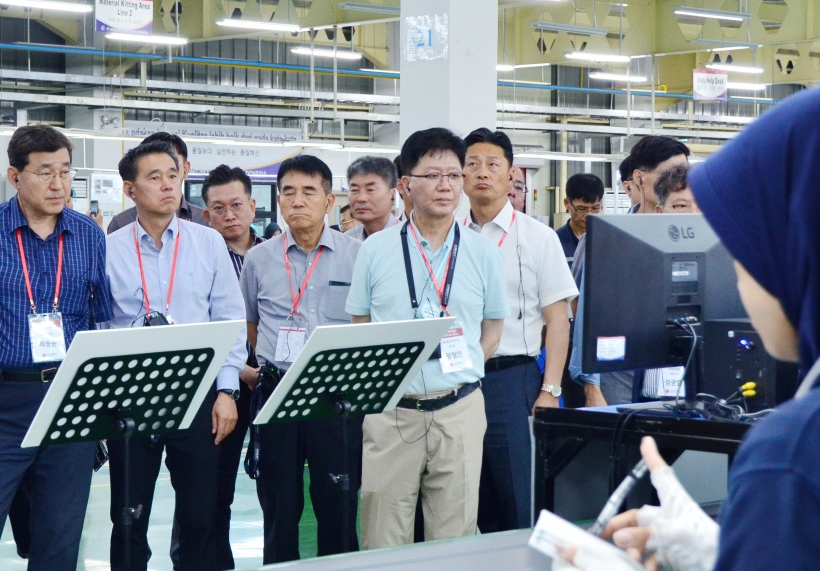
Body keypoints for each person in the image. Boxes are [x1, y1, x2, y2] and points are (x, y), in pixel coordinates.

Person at [561, 83, 820, 571]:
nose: (733, 271)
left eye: (744, 245)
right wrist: (727, 552)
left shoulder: (799, 453)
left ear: (799, 247)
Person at [347, 127, 509, 549]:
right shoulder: (375, 250)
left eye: (454, 176)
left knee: (454, 535)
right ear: (406, 184)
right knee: (383, 534)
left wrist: (465, 364)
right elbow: (360, 324)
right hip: (392, 413)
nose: (445, 186)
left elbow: (492, 329)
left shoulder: (483, 252)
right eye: (433, 175)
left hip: (460, 410)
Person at [106, 141, 247, 571]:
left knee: (200, 512)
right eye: (154, 178)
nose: (168, 185)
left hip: (197, 393)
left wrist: (227, 392)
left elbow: (229, 320)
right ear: (131, 190)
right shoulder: (108, 248)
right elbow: (100, 325)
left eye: (173, 175)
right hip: (132, 397)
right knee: (129, 515)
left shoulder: (207, 243)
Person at [0, 124, 112, 570]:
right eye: (45, 173)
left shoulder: (87, 234)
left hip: (70, 399)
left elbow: (99, 317)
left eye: (65, 172)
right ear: (15, 176)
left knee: (60, 537)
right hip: (5, 400)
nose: (58, 184)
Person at [240, 155, 362, 563]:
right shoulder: (259, 259)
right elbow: (250, 326)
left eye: (309, 192)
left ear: (329, 200)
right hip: (277, 391)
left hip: (336, 395)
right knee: (279, 504)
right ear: (277, 200)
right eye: (288, 192)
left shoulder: (357, 255)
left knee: (338, 503)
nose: (297, 201)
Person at [462, 128, 578, 533]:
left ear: (511, 175)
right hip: (459, 382)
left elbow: (558, 320)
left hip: (514, 382)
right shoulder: (451, 236)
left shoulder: (537, 237)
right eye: (472, 164)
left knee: (518, 500)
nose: (482, 172)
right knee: (470, 502)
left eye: (493, 164)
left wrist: (550, 389)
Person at [570, 136, 691, 407]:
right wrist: (592, 387)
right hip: (620, 374)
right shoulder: (608, 238)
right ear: (639, 178)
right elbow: (585, 314)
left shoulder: (693, 236)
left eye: (684, 173)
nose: (679, 181)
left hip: (680, 375)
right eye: (671, 174)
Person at [201, 164, 265, 570]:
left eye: (237, 204)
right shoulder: (201, 256)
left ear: (253, 206)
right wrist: (240, 369)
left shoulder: (274, 252)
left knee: (275, 484)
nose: (229, 215)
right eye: (218, 208)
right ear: (206, 215)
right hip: (225, 384)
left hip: (272, 382)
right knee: (212, 487)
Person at [107, 132, 208, 234]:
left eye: (171, 174)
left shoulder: (205, 222)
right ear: (129, 189)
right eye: (155, 177)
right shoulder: (121, 223)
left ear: (185, 169)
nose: (167, 185)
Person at [555, 174, 604, 267]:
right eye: (582, 208)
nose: (589, 214)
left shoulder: (608, 240)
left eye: (595, 208)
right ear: (567, 203)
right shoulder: (556, 242)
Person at [345, 156, 399, 240]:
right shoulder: (347, 242)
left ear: (392, 195)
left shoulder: (409, 239)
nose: (361, 198)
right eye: (354, 190)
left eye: (370, 190)